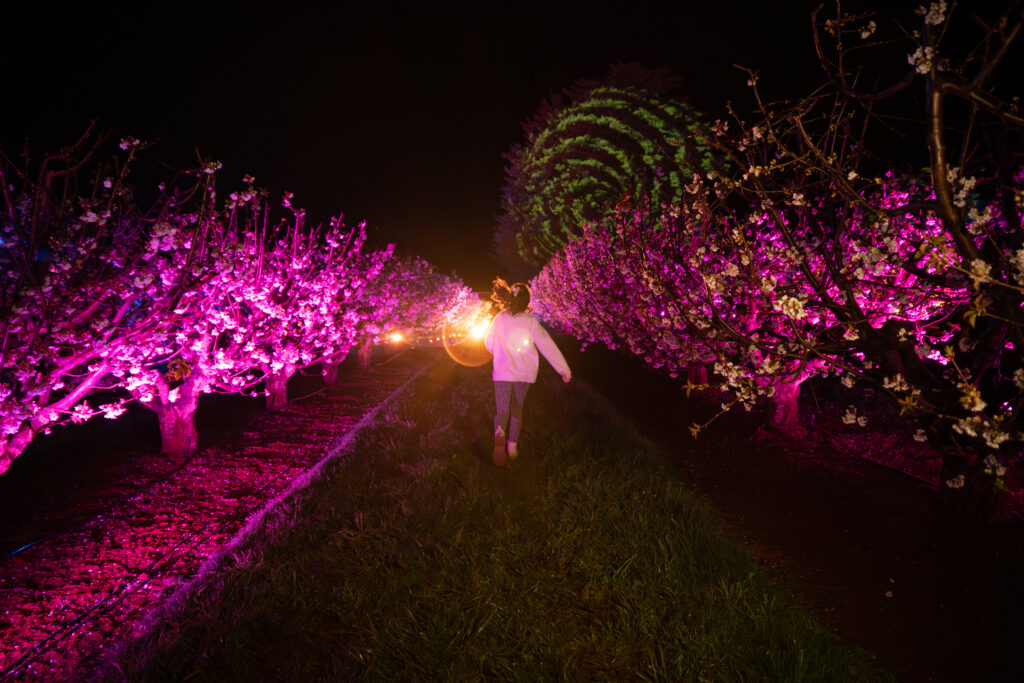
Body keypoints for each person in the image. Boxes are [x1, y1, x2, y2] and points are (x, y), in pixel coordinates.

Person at [483, 278, 571, 466]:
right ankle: (512, 447)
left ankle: (500, 432)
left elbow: (488, 342)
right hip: (524, 374)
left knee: (502, 409)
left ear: (508, 299)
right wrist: (564, 370)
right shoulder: (531, 323)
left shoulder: (499, 318)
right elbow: (547, 346)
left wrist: (498, 352)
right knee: (517, 409)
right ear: (527, 302)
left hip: (502, 373)